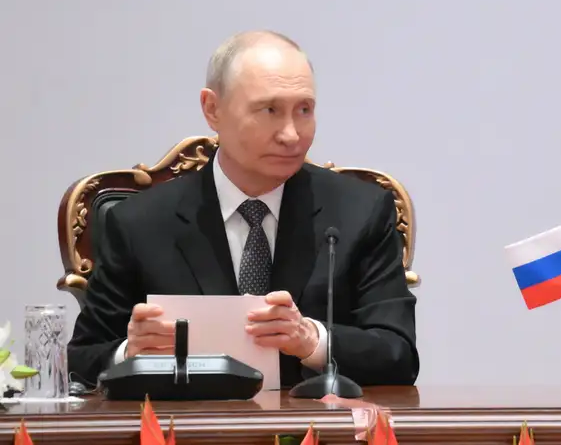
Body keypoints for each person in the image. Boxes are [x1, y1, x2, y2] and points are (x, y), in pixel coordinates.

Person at [68, 31, 419, 388]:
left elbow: (399, 354)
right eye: (269, 110)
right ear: (212, 109)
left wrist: (313, 341)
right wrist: (131, 352)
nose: (291, 134)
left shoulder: (360, 212)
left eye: (304, 110)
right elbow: (81, 360)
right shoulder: (139, 223)